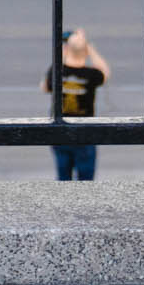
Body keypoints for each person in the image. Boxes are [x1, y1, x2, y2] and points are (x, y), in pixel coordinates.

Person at [44, 27, 111, 181]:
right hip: (84, 132)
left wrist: (62, 55)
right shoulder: (91, 75)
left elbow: (44, 87)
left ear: (66, 49)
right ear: (85, 51)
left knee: (63, 178)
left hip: (59, 132)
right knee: (86, 180)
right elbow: (105, 72)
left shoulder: (56, 71)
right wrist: (90, 49)